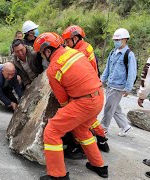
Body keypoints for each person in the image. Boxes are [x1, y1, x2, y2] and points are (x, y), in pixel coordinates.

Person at [33, 32, 108, 179]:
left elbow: (63, 101)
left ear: (47, 51)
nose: (42, 57)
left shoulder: (54, 68)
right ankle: (99, 166)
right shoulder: (75, 53)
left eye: (42, 53)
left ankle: (57, 175)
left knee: (52, 131)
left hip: (84, 102)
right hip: (98, 96)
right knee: (82, 130)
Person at [62, 25, 109, 153]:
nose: (66, 44)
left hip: (85, 89)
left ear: (76, 38)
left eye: (67, 41)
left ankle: (79, 145)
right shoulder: (85, 46)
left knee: (80, 120)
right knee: (90, 118)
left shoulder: (80, 51)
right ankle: (101, 138)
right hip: (93, 86)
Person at [100, 28, 137, 137]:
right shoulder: (113, 52)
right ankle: (125, 126)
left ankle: (103, 128)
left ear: (125, 39)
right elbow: (107, 68)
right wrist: (102, 80)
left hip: (118, 87)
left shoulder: (129, 55)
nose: (116, 41)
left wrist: (128, 88)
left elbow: (132, 73)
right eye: (115, 40)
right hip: (110, 84)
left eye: (118, 39)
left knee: (109, 107)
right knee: (114, 107)